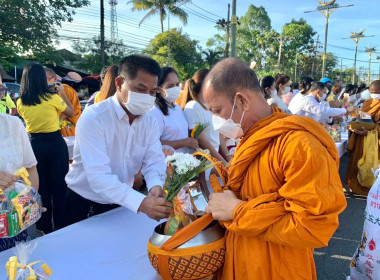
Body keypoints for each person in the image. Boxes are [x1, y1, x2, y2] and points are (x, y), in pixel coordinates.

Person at [202, 58, 347, 280]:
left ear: (241, 101)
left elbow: (313, 226)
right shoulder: (252, 136)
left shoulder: (299, 145)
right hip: (241, 259)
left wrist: (237, 211)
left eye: (217, 110)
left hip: (278, 268)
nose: (216, 122)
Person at [65, 55, 172, 224]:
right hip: (86, 201)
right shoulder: (95, 117)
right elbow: (98, 176)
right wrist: (142, 203)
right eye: (141, 89)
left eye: (152, 92)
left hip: (123, 200)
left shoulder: (149, 121)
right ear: (119, 83)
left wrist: (156, 186)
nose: (147, 97)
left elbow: (154, 160)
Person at [17, 63, 74, 234]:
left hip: (34, 144)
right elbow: (70, 112)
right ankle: (62, 224)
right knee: (60, 186)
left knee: (41, 188)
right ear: (42, 79)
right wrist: (61, 93)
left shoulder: (20, 102)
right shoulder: (52, 98)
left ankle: (43, 227)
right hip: (55, 143)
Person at [0, 114, 39, 251]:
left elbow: (30, 167)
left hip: (13, 221)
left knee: (16, 267)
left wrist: (31, 202)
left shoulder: (13, 124)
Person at [182, 69, 229, 164]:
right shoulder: (193, 106)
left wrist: (228, 158)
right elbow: (201, 140)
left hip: (215, 161)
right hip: (203, 165)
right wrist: (223, 163)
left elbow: (219, 134)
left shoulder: (211, 106)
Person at [150, 67, 198, 153]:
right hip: (169, 164)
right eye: (170, 86)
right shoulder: (155, 111)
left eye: (176, 85)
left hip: (184, 163)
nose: (175, 88)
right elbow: (155, 143)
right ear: (158, 89)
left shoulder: (177, 107)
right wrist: (184, 142)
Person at [345, 80, 380, 195]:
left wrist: (370, 132)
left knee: (372, 164)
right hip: (360, 139)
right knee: (356, 162)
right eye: (372, 92)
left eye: (377, 92)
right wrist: (356, 124)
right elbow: (362, 117)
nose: (374, 95)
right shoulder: (368, 102)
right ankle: (354, 186)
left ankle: (372, 190)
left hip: (375, 141)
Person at [45, 68, 81, 137]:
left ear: (55, 79)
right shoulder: (42, 92)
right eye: (44, 80)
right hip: (50, 125)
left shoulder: (66, 90)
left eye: (48, 79)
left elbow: (73, 110)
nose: (46, 82)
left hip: (67, 124)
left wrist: (58, 120)